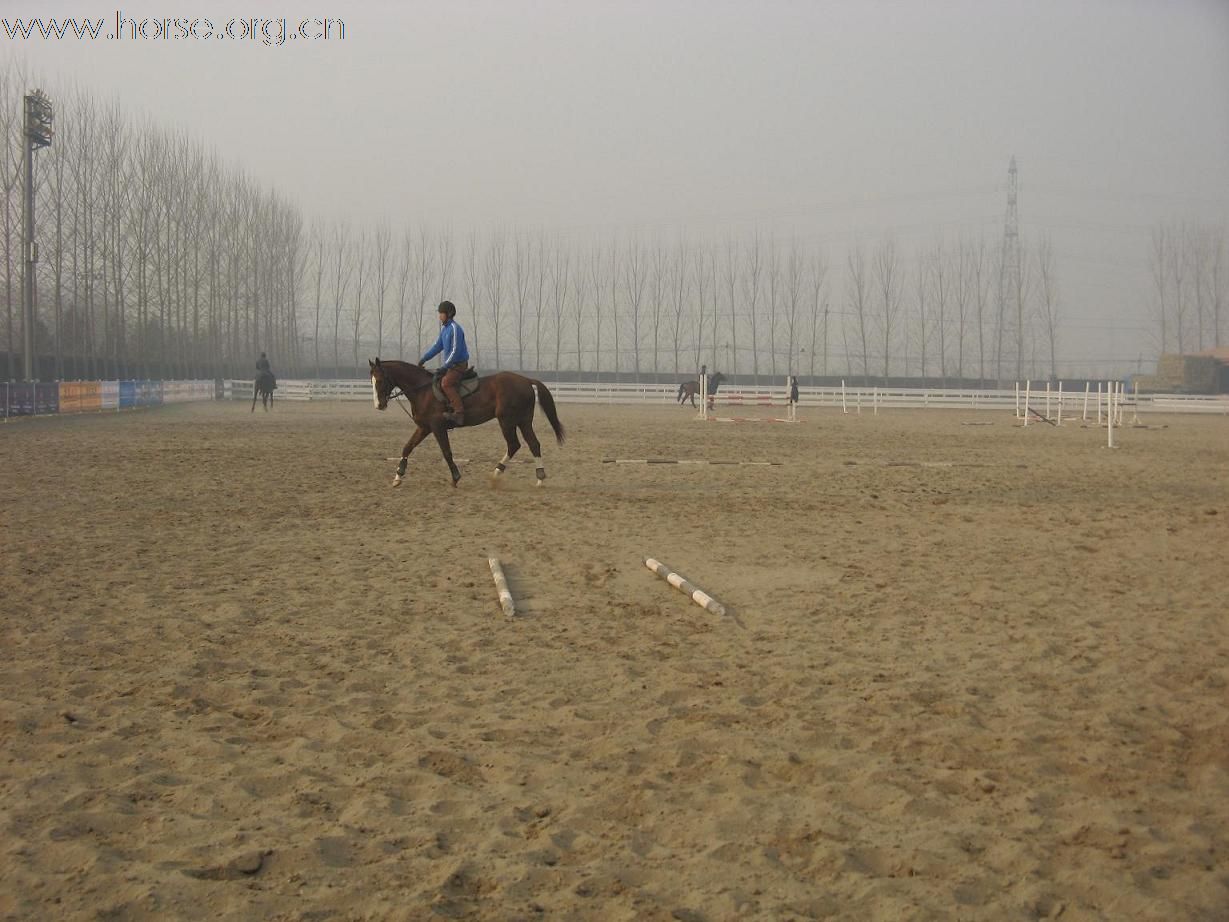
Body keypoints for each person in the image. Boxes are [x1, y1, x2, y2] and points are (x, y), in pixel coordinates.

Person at [419, 300, 470, 426]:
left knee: (446, 383)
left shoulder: (455, 329)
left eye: (442, 313)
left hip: (459, 365)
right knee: (435, 381)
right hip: (451, 365)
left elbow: (455, 351)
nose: (439, 316)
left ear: (449, 314)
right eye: (439, 313)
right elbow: (437, 347)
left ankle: (459, 413)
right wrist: (424, 358)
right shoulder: (445, 330)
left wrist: (445, 367)